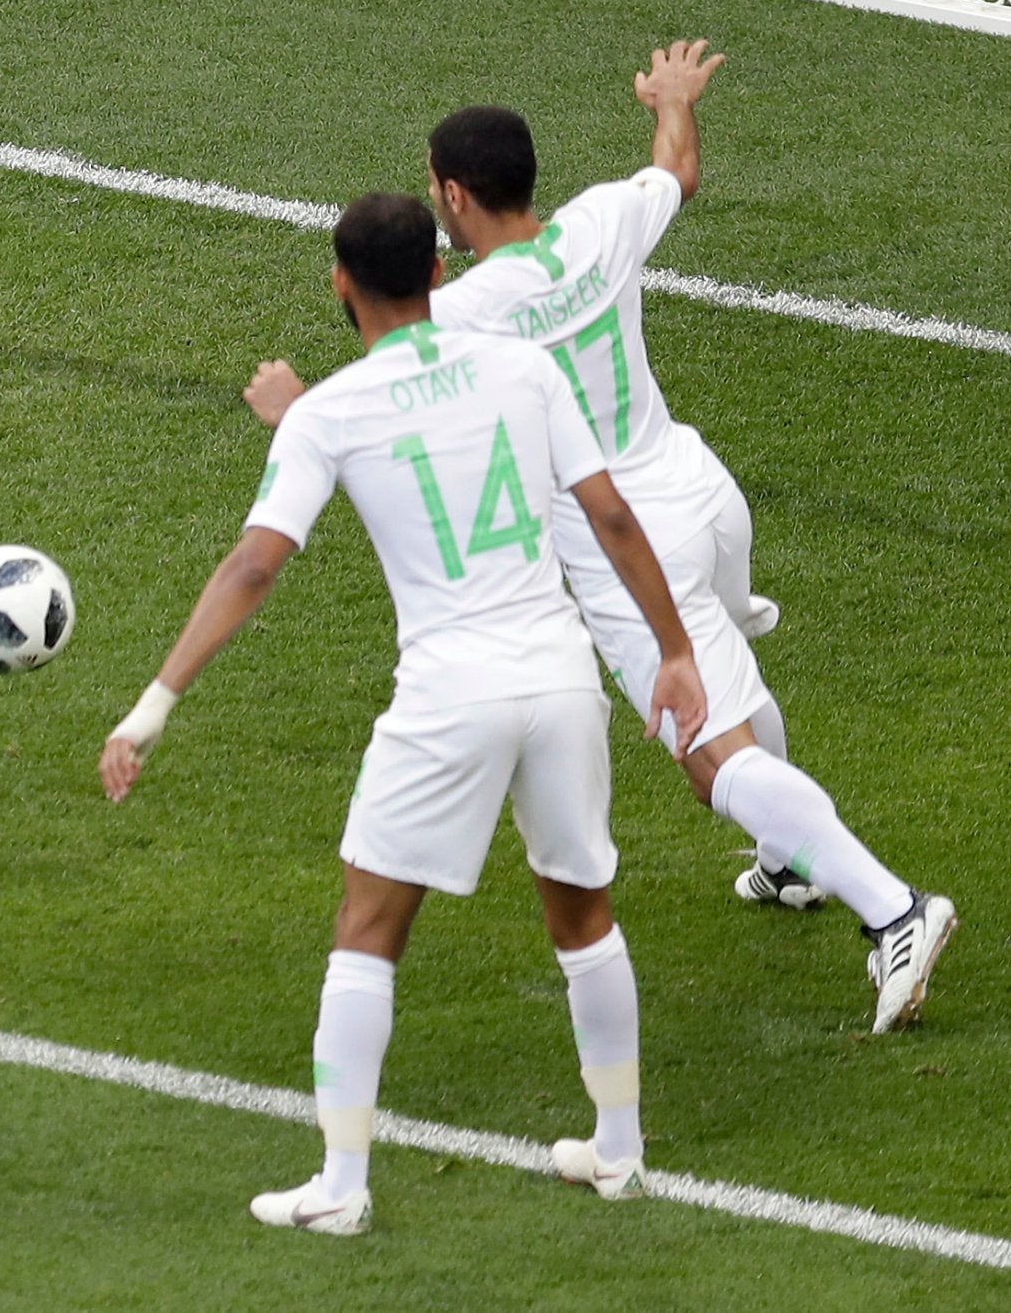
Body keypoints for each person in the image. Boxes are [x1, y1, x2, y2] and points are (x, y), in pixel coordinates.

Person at [255, 42, 951, 1032]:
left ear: (452, 196)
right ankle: (788, 864)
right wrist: (672, 100)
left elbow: (385, 392)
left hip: (631, 544)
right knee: (727, 674)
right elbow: (677, 169)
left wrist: (292, 405)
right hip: (703, 491)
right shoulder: (597, 220)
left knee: (711, 751)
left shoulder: (461, 312)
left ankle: (894, 907)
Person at [102, 193, 707, 1234]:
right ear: (437, 271)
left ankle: (340, 1181)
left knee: (368, 924)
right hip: (560, 675)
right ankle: (619, 1148)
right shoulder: (524, 367)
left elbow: (255, 562)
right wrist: (677, 649)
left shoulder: (329, 411)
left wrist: (153, 704)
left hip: (448, 694)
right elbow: (608, 512)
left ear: (340, 284)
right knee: (582, 916)